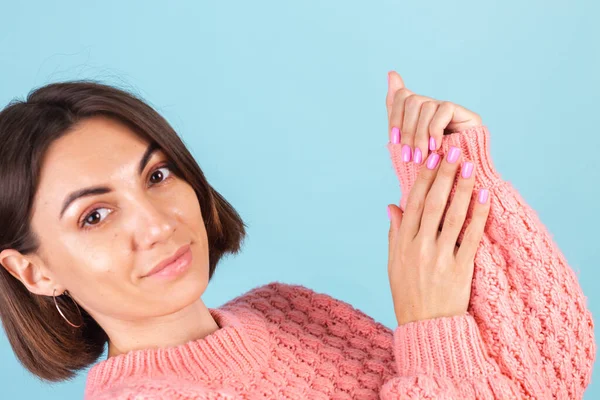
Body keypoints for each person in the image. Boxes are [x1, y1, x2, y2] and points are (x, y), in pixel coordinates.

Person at [0, 71, 594, 399]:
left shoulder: (286, 310)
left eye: (158, 175)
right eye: (94, 216)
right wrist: (431, 327)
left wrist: (454, 181)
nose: (156, 224)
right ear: (34, 270)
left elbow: (553, 377)